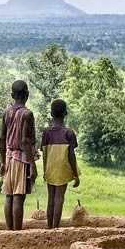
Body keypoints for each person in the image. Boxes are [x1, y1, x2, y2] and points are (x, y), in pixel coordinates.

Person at [0, 79, 37, 230]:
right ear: (27, 94)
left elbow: (2, 138)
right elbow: (25, 141)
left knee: (9, 195)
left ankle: (10, 231)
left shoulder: (6, 112)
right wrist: (32, 164)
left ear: (12, 95)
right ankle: (17, 233)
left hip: (8, 156)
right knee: (19, 196)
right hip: (21, 159)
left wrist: (3, 161)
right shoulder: (27, 114)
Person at [41, 98, 79, 229]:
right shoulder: (69, 133)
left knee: (51, 199)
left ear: (51, 114)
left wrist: (44, 170)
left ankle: (49, 227)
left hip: (50, 169)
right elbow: (71, 155)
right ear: (65, 113)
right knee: (59, 199)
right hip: (63, 169)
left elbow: (44, 152)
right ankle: (55, 228)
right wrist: (75, 174)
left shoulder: (46, 132)